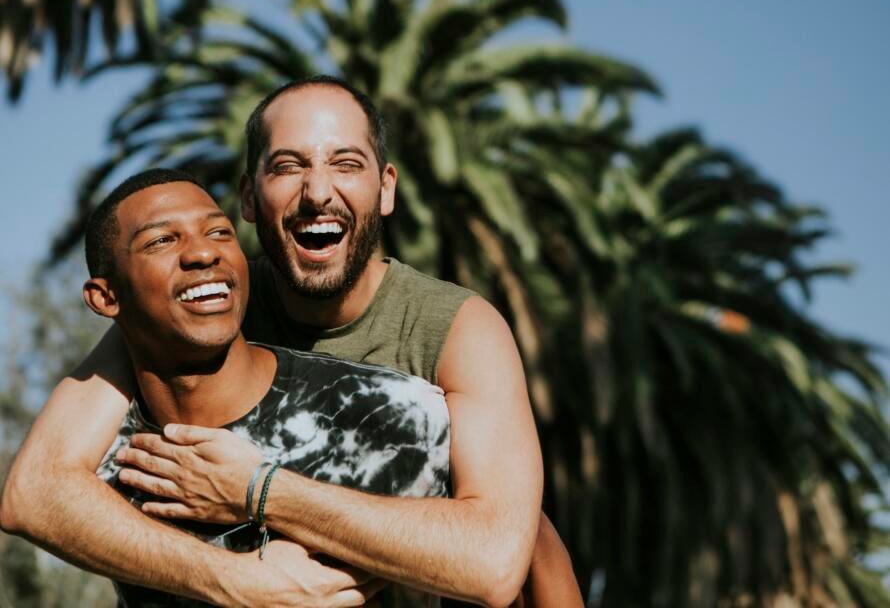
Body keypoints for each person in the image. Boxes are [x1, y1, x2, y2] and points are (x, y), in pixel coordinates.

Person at [1, 76, 583, 606]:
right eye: (287, 166)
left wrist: (258, 490)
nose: (318, 193)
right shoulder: (210, 303)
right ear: (250, 197)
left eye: (346, 163)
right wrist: (238, 581)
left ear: (385, 189)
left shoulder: (456, 329)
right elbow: (37, 490)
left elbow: (500, 555)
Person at [85, 169, 453, 606]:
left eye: (220, 232)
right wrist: (235, 581)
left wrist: (263, 492)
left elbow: (522, 550)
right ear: (106, 298)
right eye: (162, 240)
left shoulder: (379, 412)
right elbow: (28, 499)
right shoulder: (104, 465)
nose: (203, 252)